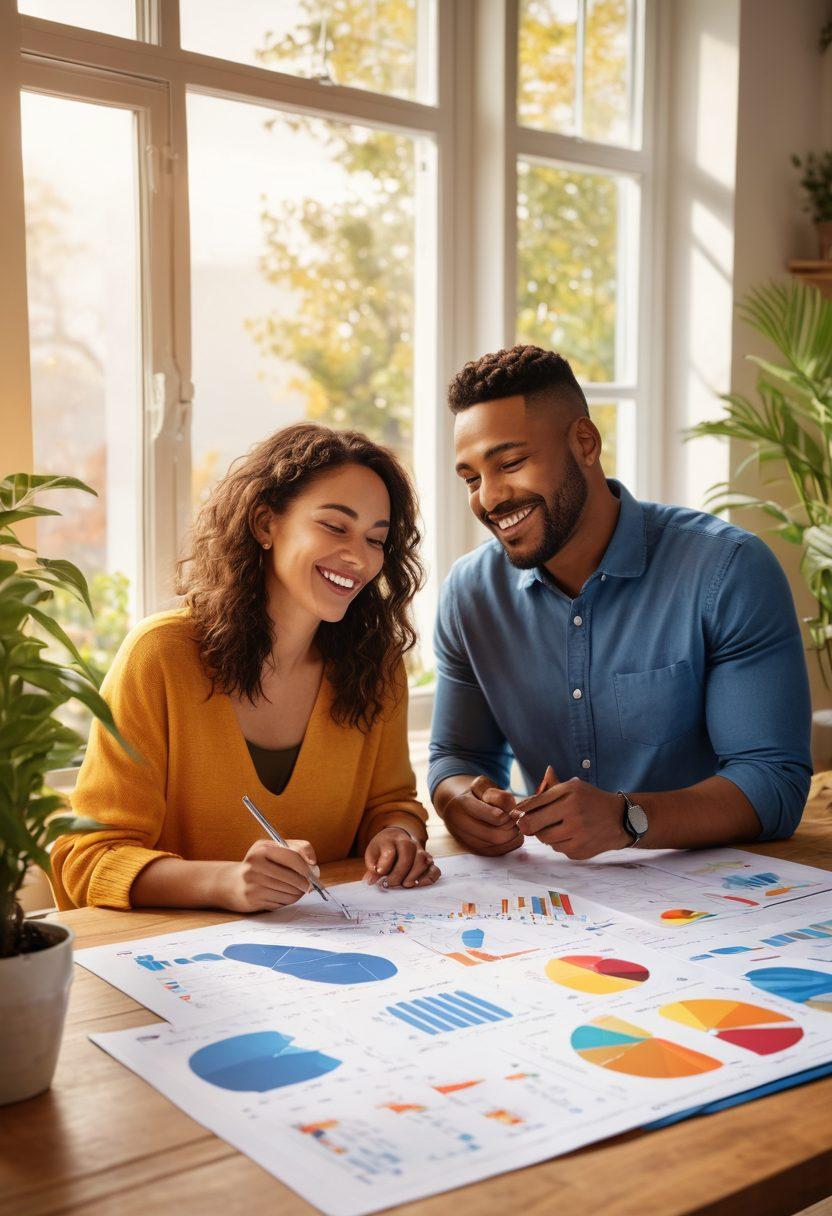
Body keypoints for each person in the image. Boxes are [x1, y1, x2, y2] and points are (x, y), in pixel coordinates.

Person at [429, 344, 812, 860]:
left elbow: (774, 782)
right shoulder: (469, 595)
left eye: (511, 463)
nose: (490, 498)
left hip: (716, 901)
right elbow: (458, 755)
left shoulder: (728, 571)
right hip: (558, 906)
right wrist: (461, 802)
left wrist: (627, 819)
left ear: (585, 442)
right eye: (472, 479)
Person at [52, 423, 439, 913]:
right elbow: (86, 858)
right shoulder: (159, 657)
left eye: (376, 539)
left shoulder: (375, 664)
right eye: (335, 526)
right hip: (178, 963)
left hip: (334, 951)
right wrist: (226, 884)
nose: (359, 557)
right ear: (264, 524)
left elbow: (391, 803)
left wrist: (397, 836)